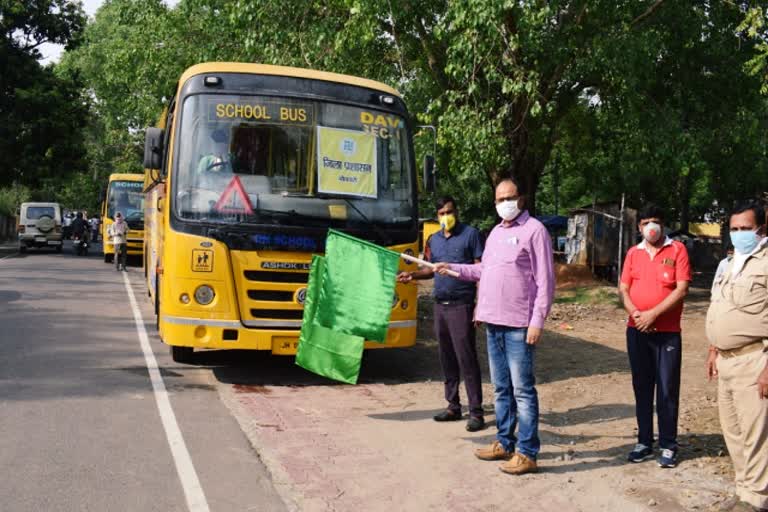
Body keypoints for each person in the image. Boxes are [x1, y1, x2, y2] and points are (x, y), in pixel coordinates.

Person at [436, 177, 555, 476]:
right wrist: (451, 268)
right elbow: (482, 270)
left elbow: (546, 282)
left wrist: (537, 321)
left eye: (509, 197)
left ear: (521, 198)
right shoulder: (494, 235)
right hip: (493, 322)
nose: (505, 203)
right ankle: (505, 441)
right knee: (501, 389)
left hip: (519, 325)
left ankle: (527, 453)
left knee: (523, 391)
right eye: (499, 199)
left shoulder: (535, 231)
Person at [397, 197, 485, 432]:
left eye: (450, 211)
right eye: (442, 212)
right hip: (441, 306)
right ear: (436, 216)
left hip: (462, 305)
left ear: (457, 211)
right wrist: (412, 276)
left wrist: (480, 306)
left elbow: (480, 271)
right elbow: (430, 269)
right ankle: (453, 406)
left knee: (466, 358)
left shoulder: (471, 235)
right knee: (446, 358)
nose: (447, 216)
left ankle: (476, 412)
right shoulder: (433, 240)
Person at [706, 201, 768, 512]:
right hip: (725, 361)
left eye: (746, 229)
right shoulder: (728, 264)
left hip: (754, 359)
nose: (739, 234)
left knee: (756, 434)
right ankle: (744, 490)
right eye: (734, 229)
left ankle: (756, 498)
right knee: (733, 432)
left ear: (761, 229)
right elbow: (720, 306)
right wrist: (713, 347)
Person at [619, 204, 691, 469]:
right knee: (642, 387)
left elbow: (681, 289)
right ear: (639, 227)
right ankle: (644, 442)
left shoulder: (677, 250)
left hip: (667, 333)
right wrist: (637, 314)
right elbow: (624, 288)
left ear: (663, 225)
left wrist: (653, 315)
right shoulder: (633, 254)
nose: (652, 226)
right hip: (636, 331)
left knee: (667, 389)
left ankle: (669, 444)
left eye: (656, 221)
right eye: (646, 221)